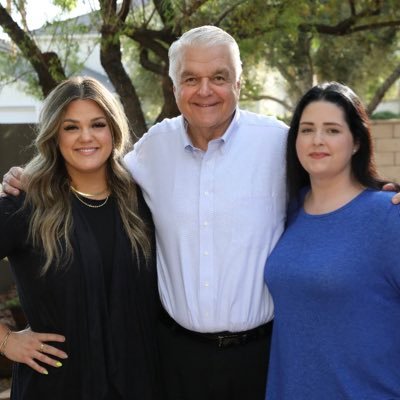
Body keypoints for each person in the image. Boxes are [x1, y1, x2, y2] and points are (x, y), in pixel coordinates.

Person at [3, 27, 400, 400]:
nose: (204, 91)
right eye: (190, 79)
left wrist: (379, 197)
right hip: (174, 359)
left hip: (261, 357)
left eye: (219, 77)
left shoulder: (279, 144)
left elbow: (331, 185)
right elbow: (90, 166)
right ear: (174, 87)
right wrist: (29, 178)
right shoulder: (152, 151)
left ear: (239, 84)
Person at [0, 76, 160, 400]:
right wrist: (6, 341)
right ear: (53, 134)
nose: (86, 137)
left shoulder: (143, 199)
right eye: (71, 127)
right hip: (56, 387)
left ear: (113, 130)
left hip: (139, 383)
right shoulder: (25, 202)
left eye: (97, 124)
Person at [264, 82, 400, 399]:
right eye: (307, 129)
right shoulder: (287, 212)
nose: (318, 140)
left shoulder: (388, 215)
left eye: (332, 130)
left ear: (356, 142)